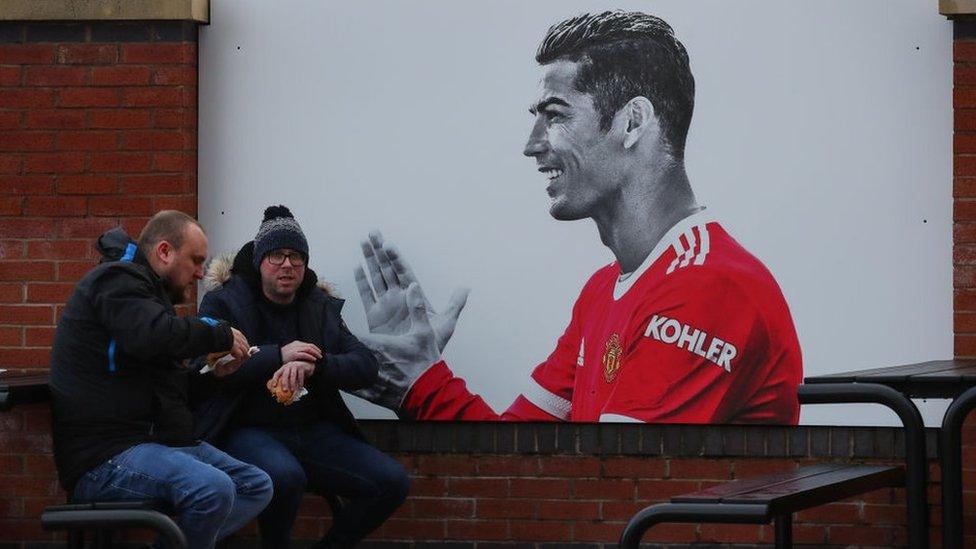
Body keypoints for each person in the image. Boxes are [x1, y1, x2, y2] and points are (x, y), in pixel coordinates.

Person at [353, 10, 803, 425]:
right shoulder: (602, 291)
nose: (531, 145)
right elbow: (519, 461)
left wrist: (423, 387)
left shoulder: (709, 286)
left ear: (633, 122)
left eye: (555, 116)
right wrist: (422, 374)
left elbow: (609, 487)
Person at [49, 210, 274, 549]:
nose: (200, 274)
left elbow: (169, 389)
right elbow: (151, 336)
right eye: (196, 261)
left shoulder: (147, 296)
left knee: (255, 485)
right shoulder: (116, 281)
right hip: (104, 456)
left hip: (152, 442)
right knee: (212, 488)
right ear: (165, 251)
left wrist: (212, 376)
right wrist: (217, 331)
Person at [191, 205, 409, 549]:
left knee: (393, 481)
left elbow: (366, 366)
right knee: (285, 476)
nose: (287, 265)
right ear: (259, 260)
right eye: (276, 255)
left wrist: (315, 366)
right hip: (244, 429)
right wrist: (279, 354)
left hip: (312, 431)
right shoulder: (224, 304)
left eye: (296, 256)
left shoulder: (317, 306)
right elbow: (206, 372)